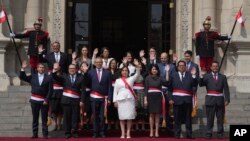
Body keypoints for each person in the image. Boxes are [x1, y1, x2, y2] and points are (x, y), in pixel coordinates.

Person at [19, 61, 53, 139]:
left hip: (44, 101)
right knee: (35, 118)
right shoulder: (33, 76)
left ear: (44, 69)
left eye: (42, 67)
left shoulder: (49, 78)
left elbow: (50, 90)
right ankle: (35, 134)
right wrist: (22, 69)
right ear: (37, 69)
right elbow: (23, 77)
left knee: (44, 119)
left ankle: (45, 134)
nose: (41, 69)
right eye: (40, 67)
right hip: (34, 100)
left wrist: (47, 100)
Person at [52, 63, 85, 139]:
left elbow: (83, 90)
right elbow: (55, 77)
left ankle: (75, 132)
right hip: (66, 100)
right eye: (70, 68)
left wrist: (82, 100)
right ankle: (67, 132)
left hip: (76, 100)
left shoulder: (81, 77)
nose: (72, 70)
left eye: (73, 68)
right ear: (68, 70)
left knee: (75, 117)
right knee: (67, 117)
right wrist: (55, 70)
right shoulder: (64, 76)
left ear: (76, 69)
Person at [199, 61, 230, 139]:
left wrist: (227, 99)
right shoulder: (207, 76)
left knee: (220, 118)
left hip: (220, 99)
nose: (215, 67)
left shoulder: (223, 77)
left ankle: (220, 133)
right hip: (210, 99)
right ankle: (209, 133)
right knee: (210, 118)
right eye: (213, 66)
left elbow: (226, 88)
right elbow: (201, 84)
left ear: (218, 67)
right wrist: (202, 77)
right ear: (211, 67)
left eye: (216, 66)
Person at [168, 60, 198, 139]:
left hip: (187, 100)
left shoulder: (190, 75)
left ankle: (189, 134)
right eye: (180, 65)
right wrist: (170, 98)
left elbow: (194, 85)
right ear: (177, 67)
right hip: (176, 100)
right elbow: (170, 88)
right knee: (177, 118)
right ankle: (177, 134)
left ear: (185, 67)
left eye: (183, 65)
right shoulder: (173, 75)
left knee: (188, 118)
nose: (181, 67)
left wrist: (194, 76)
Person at [113, 59, 141, 139]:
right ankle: (122, 133)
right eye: (123, 70)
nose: (124, 72)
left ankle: (128, 133)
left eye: (126, 70)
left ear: (128, 72)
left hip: (130, 100)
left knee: (129, 117)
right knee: (121, 117)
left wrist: (137, 66)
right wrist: (115, 101)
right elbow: (115, 92)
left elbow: (137, 74)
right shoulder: (117, 80)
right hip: (121, 101)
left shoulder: (131, 78)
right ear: (121, 72)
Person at [87, 57, 113, 138]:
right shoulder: (90, 72)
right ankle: (95, 132)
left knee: (102, 116)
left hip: (103, 98)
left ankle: (102, 132)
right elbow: (87, 84)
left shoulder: (107, 73)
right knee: (95, 116)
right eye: (97, 62)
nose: (98, 63)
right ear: (95, 63)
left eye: (100, 62)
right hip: (94, 97)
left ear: (102, 63)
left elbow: (109, 86)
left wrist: (109, 98)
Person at [144, 64, 168, 138]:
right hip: (150, 97)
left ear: (158, 70)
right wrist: (145, 99)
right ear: (151, 70)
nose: (154, 70)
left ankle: (157, 131)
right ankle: (151, 131)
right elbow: (145, 89)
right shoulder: (147, 78)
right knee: (151, 114)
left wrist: (167, 72)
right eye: (153, 69)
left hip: (158, 97)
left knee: (157, 115)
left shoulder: (160, 78)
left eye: (155, 69)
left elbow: (167, 82)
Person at [184, 50, 200, 117]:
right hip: (183, 88)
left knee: (190, 105)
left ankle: (191, 117)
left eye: (188, 56)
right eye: (185, 56)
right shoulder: (182, 64)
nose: (186, 57)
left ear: (191, 57)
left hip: (191, 88)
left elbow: (197, 78)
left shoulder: (195, 66)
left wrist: (195, 88)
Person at [107, 59, 120, 130]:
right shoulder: (107, 71)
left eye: (114, 63)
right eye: (112, 63)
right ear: (110, 64)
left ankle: (116, 124)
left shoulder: (118, 71)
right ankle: (109, 124)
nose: (113, 64)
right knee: (109, 108)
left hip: (117, 91)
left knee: (116, 108)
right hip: (109, 90)